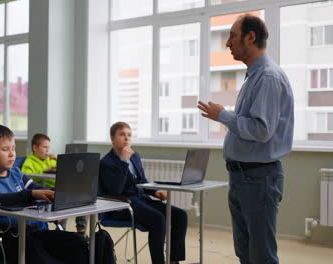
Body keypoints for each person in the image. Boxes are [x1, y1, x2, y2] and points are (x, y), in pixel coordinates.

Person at [197, 14, 294, 264]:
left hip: (258, 179)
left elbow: (262, 130)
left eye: (232, 36)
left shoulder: (268, 77)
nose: (227, 43)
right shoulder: (254, 76)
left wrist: (224, 116)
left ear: (250, 38)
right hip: (243, 177)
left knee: (261, 255)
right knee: (245, 252)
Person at [0, 125, 88, 263]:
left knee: (78, 242)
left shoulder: (16, 173)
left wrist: (66, 190)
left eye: (13, 148)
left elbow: (37, 189)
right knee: (38, 253)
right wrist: (29, 194)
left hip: (29, 233)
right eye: (5, 149)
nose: (12, 154)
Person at [99, 121, 187, 264]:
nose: (127, 138)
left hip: (141, 199)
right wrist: (123, 161)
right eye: (122, 135)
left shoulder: (135, 156)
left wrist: (155, 192)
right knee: (158, 219)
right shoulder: (106, 162)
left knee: (180, 215)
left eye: (129, 135)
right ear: (112, 138)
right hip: (121, 205)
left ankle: (173, 260)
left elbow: (142, 181)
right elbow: (115, 190)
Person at [21, 133, 87, 234]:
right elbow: (25, 178)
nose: (47, 150)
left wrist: (58, 160)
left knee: (80, 194)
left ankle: (81, 229)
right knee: (64, 199)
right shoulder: (29, 162)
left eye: (48, 147)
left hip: (57, 189)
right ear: (35, 147)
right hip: (44, 192)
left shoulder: (51, 160)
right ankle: (61, 231)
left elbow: (68, 170)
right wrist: (44, 171)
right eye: (44, 147)